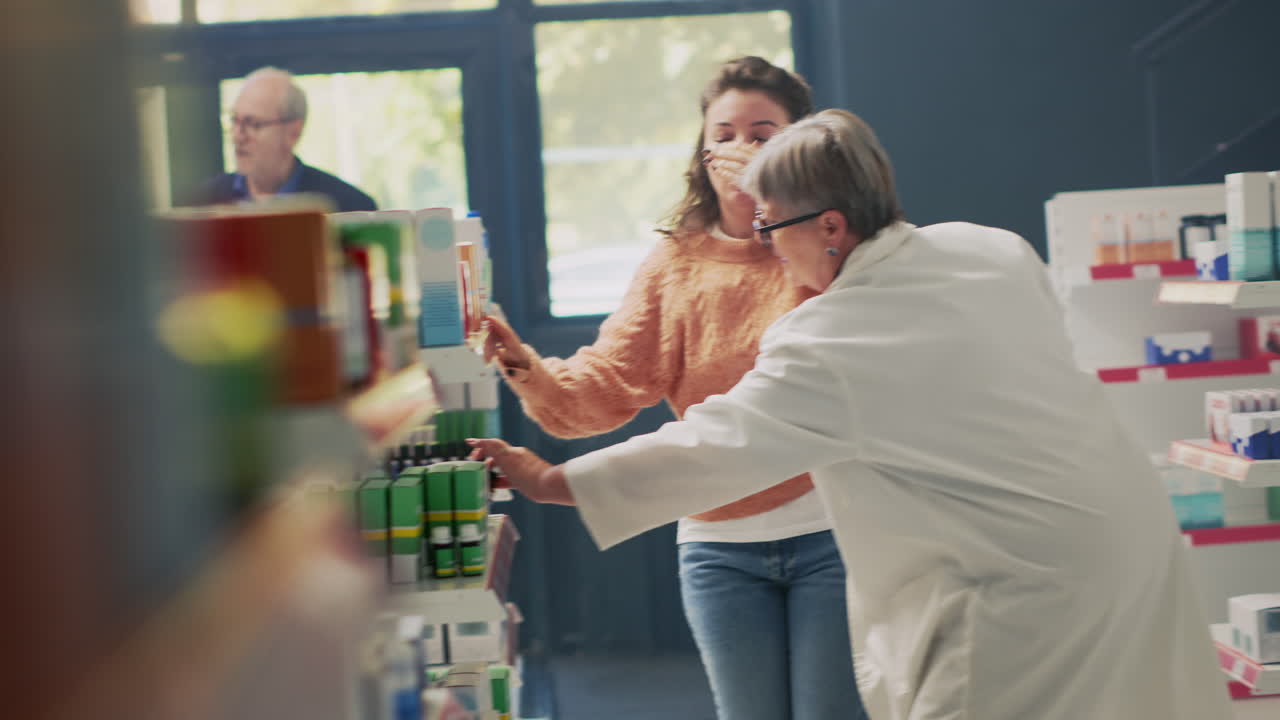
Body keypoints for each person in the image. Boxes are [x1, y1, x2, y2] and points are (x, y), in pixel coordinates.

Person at [470, 109, 1232, 720]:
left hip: (1017, 589)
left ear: (830, 228)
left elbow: (712, 445)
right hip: (1126, 537)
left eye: (771, 229)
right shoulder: (989, 250)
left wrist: (548, 479)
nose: (768, 251)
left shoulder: (832, 336)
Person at [481, 58, 866, 720]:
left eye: (762, 133)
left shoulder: (827, 242)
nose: (739, 148)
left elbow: (833, 351)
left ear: (798, 145)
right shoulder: (677, 263)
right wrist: (526, 368)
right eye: (724, 133)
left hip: (830, 530)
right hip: (719, 549)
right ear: (702, 146)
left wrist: (771, 209)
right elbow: (603, 386)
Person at [182, 67, 377, 212]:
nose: (237, 136)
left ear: (293, 132)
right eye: (235, 121)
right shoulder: (199, 206)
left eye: (253, 124)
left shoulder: (347, 206)